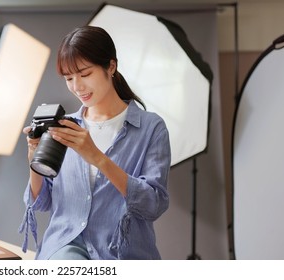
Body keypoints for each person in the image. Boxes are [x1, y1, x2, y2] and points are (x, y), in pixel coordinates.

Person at [18, 25, 171, 260]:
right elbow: (43, 202)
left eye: (85, 74)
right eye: (69, 78)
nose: (77, 86)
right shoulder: (64, 126)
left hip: (123, 252)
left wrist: (97, 158)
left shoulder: (151, 128)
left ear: (111, 66)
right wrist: (33, 158)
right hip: (65, 246)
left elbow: (153, 204)